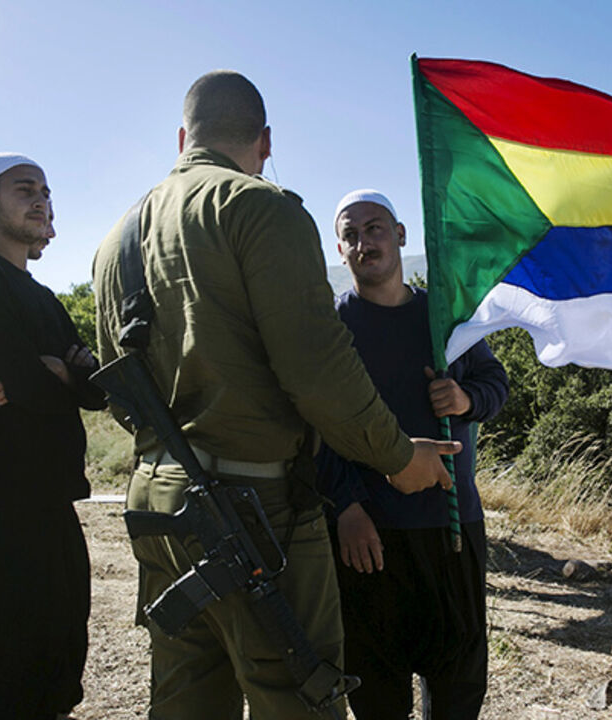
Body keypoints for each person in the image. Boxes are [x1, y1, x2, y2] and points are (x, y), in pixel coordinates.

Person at [92, 71, 460, 720]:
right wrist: (400, 458)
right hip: (257, 510)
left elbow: (116, 379)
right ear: (265, 143)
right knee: (298, 700)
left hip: (158, 499)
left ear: (184, 138)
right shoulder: (261, 208)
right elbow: (319, 372)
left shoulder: (116, 240)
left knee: (185, 701)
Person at [320, 189, 508, 720]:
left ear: (400, 235)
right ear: (340, 249)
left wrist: (466, 399)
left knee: (458, 684)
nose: (364, 242)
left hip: (452, 527)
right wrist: (346, 508)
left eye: (375, 228)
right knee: (377, 689)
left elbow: (496, 384)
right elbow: (314, 429)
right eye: (351, 234)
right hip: (370, 536)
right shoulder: (330, 331)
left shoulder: (444, 319)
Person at [0, 153, 106, 719]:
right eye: (24, 189)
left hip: (51, 502)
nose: (40, 200)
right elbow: (29, 384)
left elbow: (98, 388)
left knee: (57, 663)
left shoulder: (45, 298)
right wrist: (52, 374)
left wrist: (56, 372)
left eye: (46, 191)